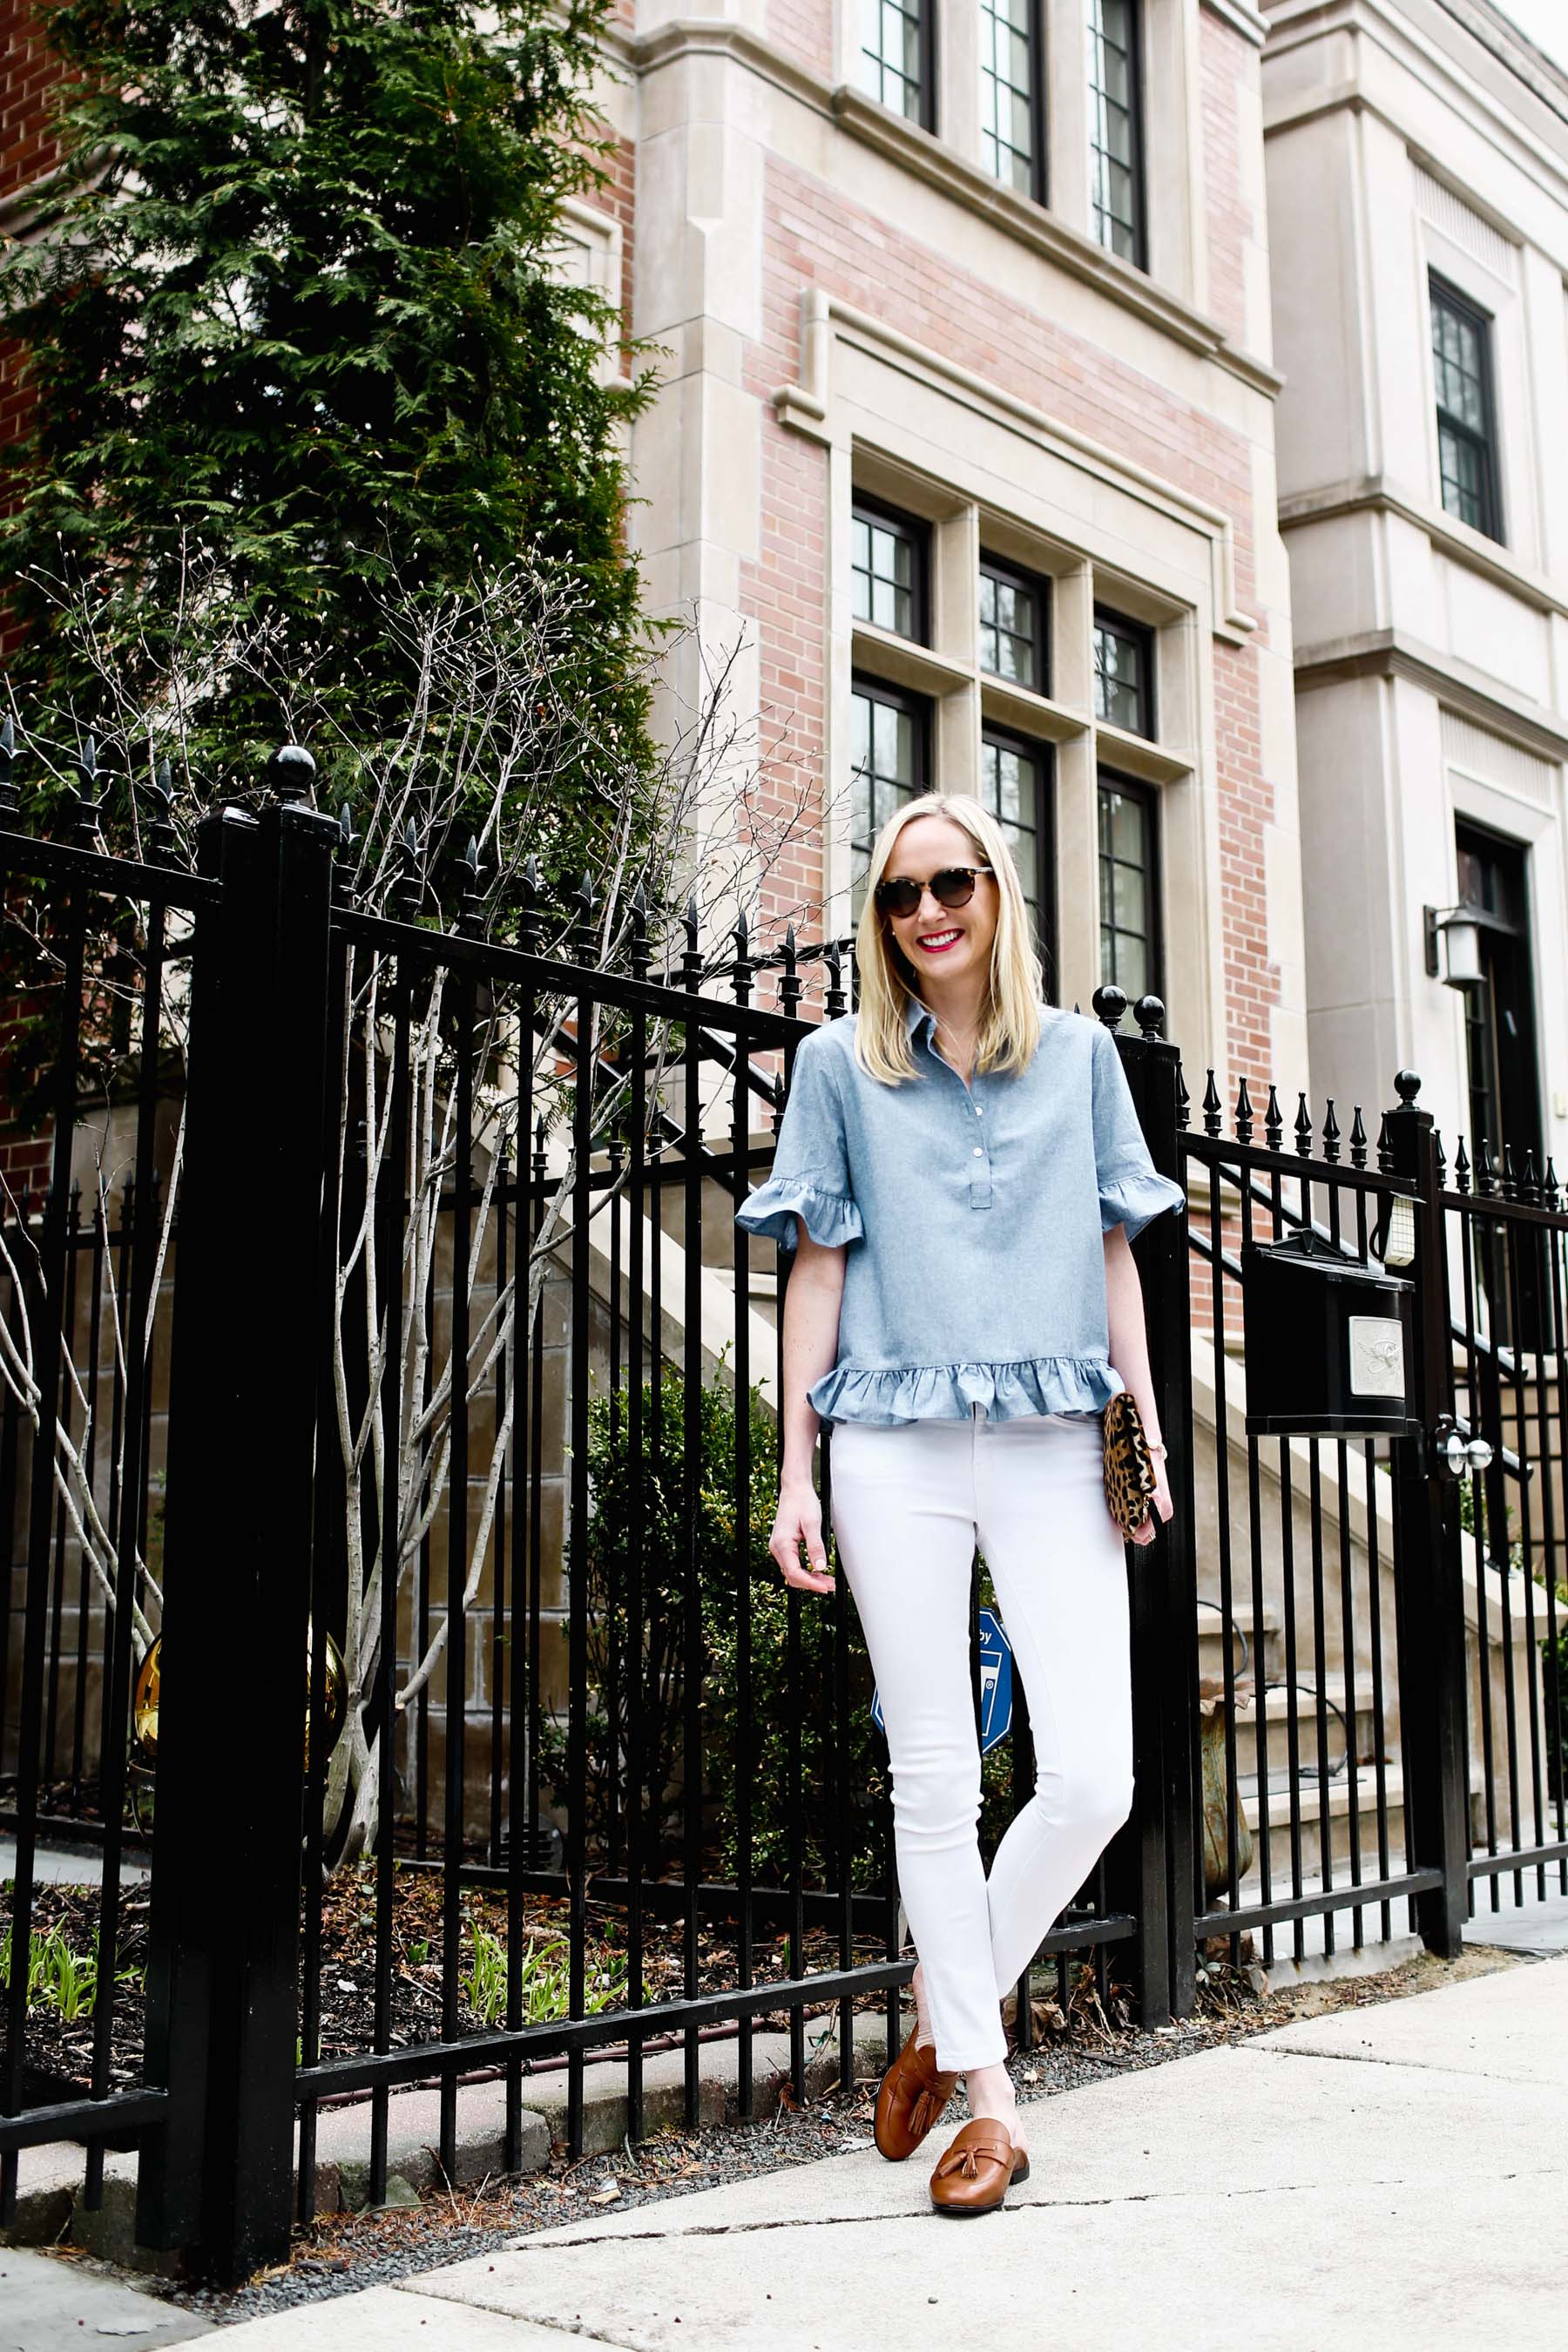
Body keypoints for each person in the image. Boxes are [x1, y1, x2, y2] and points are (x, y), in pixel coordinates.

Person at [733, 792, 1184, 2217]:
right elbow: (815, 1270)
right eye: (899, 892)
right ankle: (991, 2099)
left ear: (999, 895)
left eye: (954, 881)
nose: (928, 910)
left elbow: (1118, 1261)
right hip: (894, 1452)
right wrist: (795, 1467)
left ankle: (946, 1996)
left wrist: (1147, 1428)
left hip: (1056, 1441)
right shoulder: (836, 1068)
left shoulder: (1085, 1061)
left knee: (1094, 1778)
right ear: (882, 920)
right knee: (933, 1774)